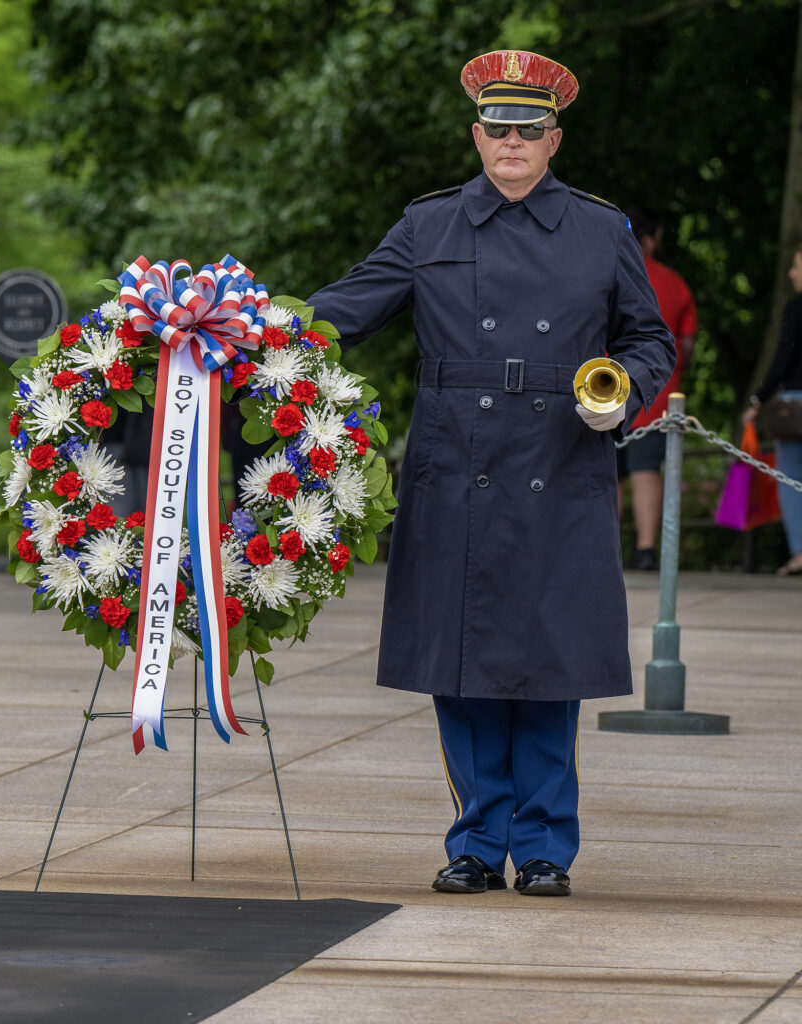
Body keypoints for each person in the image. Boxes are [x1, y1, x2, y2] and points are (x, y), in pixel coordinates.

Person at [306, 49, 675, 897]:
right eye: (499, 127)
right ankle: (475, 841)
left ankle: (544, 848)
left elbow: (649, 340)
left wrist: (623, 398)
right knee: (460, 667)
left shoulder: (600, 229)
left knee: (551, 666)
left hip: (562, 457)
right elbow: (342, 311)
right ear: (478, 135)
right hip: (454, 463)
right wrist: (231, 322)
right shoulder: (427, 226)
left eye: (530, 128)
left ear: (555, 139)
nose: (513, 140)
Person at [617, 209, 697, 570]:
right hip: (657, 394)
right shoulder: (674, 282)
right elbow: (688, 344)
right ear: (649, 239)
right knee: (646, 470)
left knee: (609, 472)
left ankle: (609, 549)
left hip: (601, 389)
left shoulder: (604, 272)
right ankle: (647, 551)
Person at [742, 245, 802, 575]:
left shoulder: (796, 309)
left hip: (796, 405)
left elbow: (782, 358)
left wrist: (757, 401)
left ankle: (801, 552)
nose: (792, 273)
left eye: (796, 266)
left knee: (791, 477)